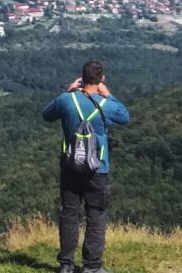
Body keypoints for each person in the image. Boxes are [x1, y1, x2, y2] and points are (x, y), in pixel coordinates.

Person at [43, 60, 130, 273]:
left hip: (70, 166)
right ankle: (92, 267)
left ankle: (66, 265)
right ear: (101, 79)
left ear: (81, 77)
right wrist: (107, 93)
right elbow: (125, 116)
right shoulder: (106, 104)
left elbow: (47, 115)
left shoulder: (67, 100)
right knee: (96, 215)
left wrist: (69, 90)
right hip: (97, 169)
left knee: (69, 213)